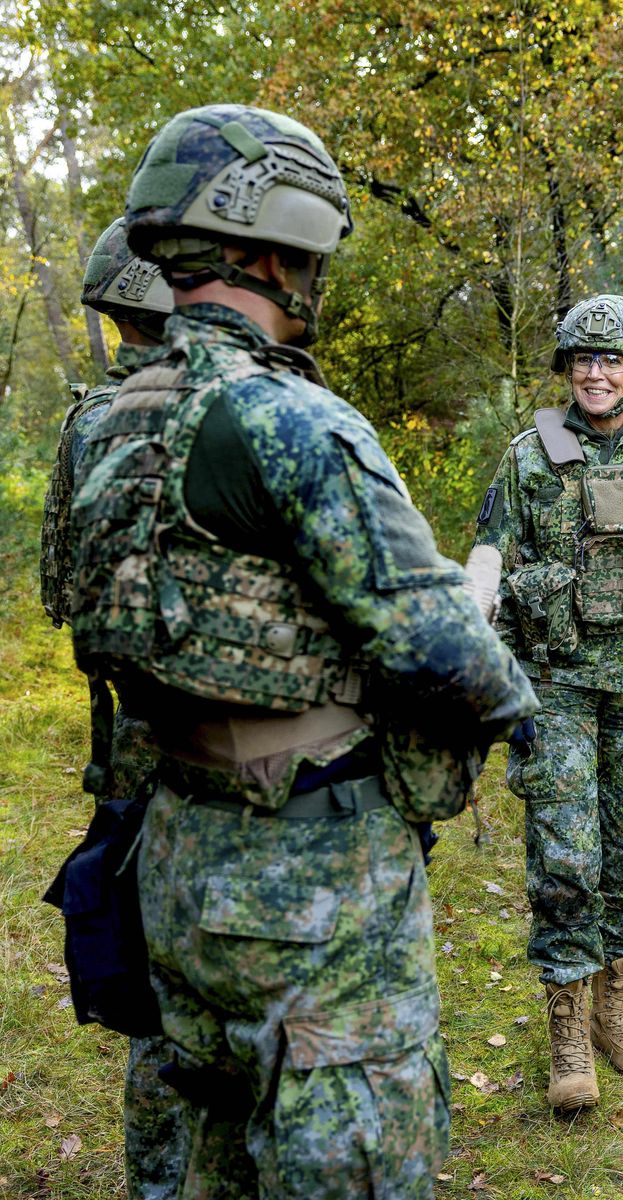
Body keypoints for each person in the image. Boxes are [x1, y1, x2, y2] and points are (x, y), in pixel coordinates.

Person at [68, 104, 537, 1198]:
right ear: (281, 245)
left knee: (212, 1155)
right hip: (310, 881)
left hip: (176, 854)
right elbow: (449, 656)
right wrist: (490, 641)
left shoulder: (111, 419)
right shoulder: (288, 418)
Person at [472, 294, 623, 1112]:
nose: (597, 373)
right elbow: (489, 570)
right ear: (567, 367)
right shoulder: (527, 458)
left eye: (613, 360)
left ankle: (617, 1009)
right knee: (566, 861)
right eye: (584, 358)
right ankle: (568, 1033)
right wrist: (494, 677)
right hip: (559, 685)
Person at [39, 219, 189, 1199]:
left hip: (135, 742)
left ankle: (160, 1182)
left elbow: (61, 593)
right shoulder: (254, 408)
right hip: (255, 751)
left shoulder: (89, 425)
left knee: (154, 984)